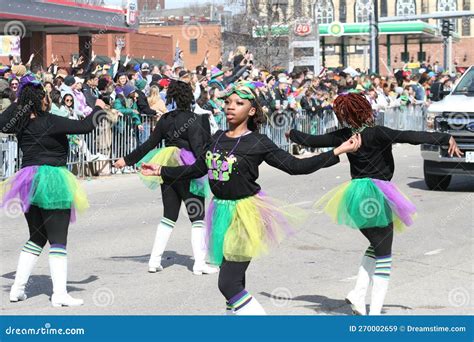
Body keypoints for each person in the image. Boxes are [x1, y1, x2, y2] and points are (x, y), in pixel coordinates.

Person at [140, 81, 361, 315]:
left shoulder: (257, 142)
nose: (230, 107)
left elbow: (296, 166)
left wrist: (336, 152)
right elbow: (196, 170)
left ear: (252, 110)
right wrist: (162, 171)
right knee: (236, 282)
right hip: (221, 213)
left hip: (245, 215)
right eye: (227, 102)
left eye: (239, 103)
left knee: (228, 284)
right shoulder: (215, 138)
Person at [286, 93, 463, 315]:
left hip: (354, 196)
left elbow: (311, 140)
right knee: (384, 254)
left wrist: (291, 133)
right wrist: (444, 137)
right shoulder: (378, 133)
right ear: (365, 109)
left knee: (377, 244)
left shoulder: (344, 135)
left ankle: (358, 295)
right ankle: (375, 312)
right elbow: (410, 135)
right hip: (377, 194)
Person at [0, 73, 107, 307]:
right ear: (41, 100)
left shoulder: (21, 123)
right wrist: (99, 108)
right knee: (58, 240)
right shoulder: (51, 120)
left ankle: (17, 289)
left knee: (37, 237)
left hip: (28, 180)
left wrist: (22, 99)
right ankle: (59, 294)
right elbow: (86, 126)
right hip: (53, 179)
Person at [114, 80, 217, 276]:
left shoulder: (165, 119)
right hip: (187, 168)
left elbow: (149, 145)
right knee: (197, 217)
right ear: (189, 97)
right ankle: (199, 264)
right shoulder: (195, 120)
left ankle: (154, 261)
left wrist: (126, 160)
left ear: (172, 97)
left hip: (166, 166)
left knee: (169, 215)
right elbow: (198, 150)